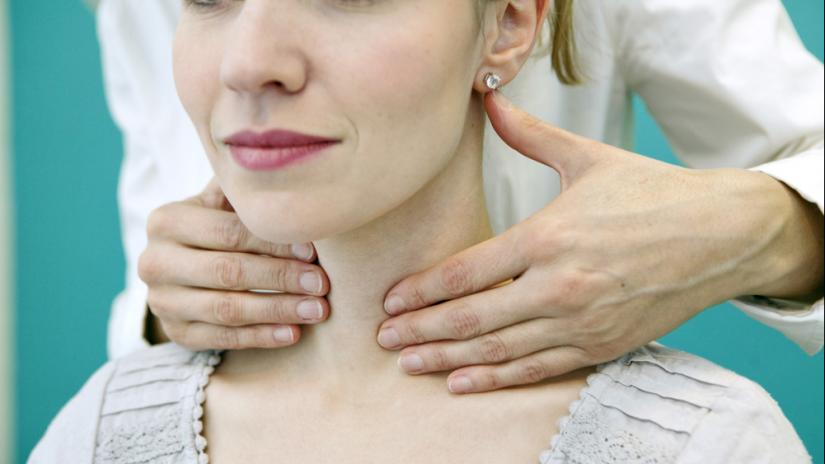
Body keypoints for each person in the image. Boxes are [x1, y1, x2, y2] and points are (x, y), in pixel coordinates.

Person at [30, 1, 812, 462]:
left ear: (509, 24)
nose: (247, 64)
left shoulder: (710, 441)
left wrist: (767, 224)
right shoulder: (96, 432)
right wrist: (167, 320)